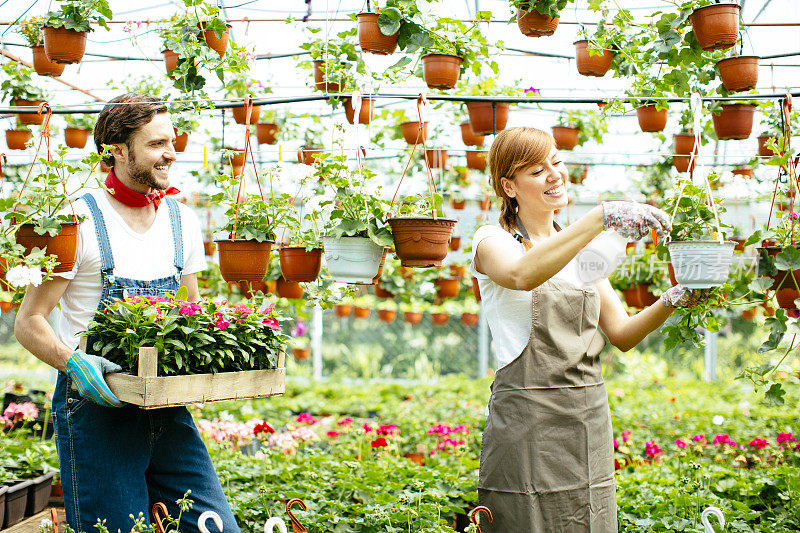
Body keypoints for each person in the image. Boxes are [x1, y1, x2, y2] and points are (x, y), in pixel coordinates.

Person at [14, 93, 241, 532]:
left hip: (166, 407)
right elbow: (29, 322)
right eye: (156, 144)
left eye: (171, 142)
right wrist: (73, 362)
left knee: (215, 525)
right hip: (98, 409)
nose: (170, 153)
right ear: (117, 150)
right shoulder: (77, 220)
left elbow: (192, 315)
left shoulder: (182, 221)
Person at [470, 128, 708, 532]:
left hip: (586, 415)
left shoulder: (579, 253)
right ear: (509, 186)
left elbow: (622, 333)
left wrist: (675, 297)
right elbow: (522, 274)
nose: (554, 175)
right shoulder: (491, 241)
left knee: (591, 518)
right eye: (536, 170)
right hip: (527, 418)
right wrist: (600, 218)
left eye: (556, 163)